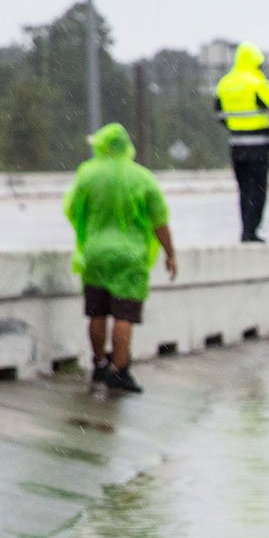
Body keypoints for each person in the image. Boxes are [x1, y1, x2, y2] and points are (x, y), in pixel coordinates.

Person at [63, 123, 177, 396]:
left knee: (97, 312)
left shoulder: (88, 174)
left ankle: (100, 363)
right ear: (127, 147)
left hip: (96, 253)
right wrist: (170, 253)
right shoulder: (142, 178)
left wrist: (91, 232)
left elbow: (71, 208)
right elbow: (159, 220)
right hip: (130, 256)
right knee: (124, 315)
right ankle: (119, 370)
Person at [212, 43, 269, 243]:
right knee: (258, 189)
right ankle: (252, 231)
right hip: (258, 146)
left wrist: (236, 125)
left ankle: (245, 229)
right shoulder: (256, 82)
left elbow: (219, 115)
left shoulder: (225, 83)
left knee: (244, 189)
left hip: (236, 145)